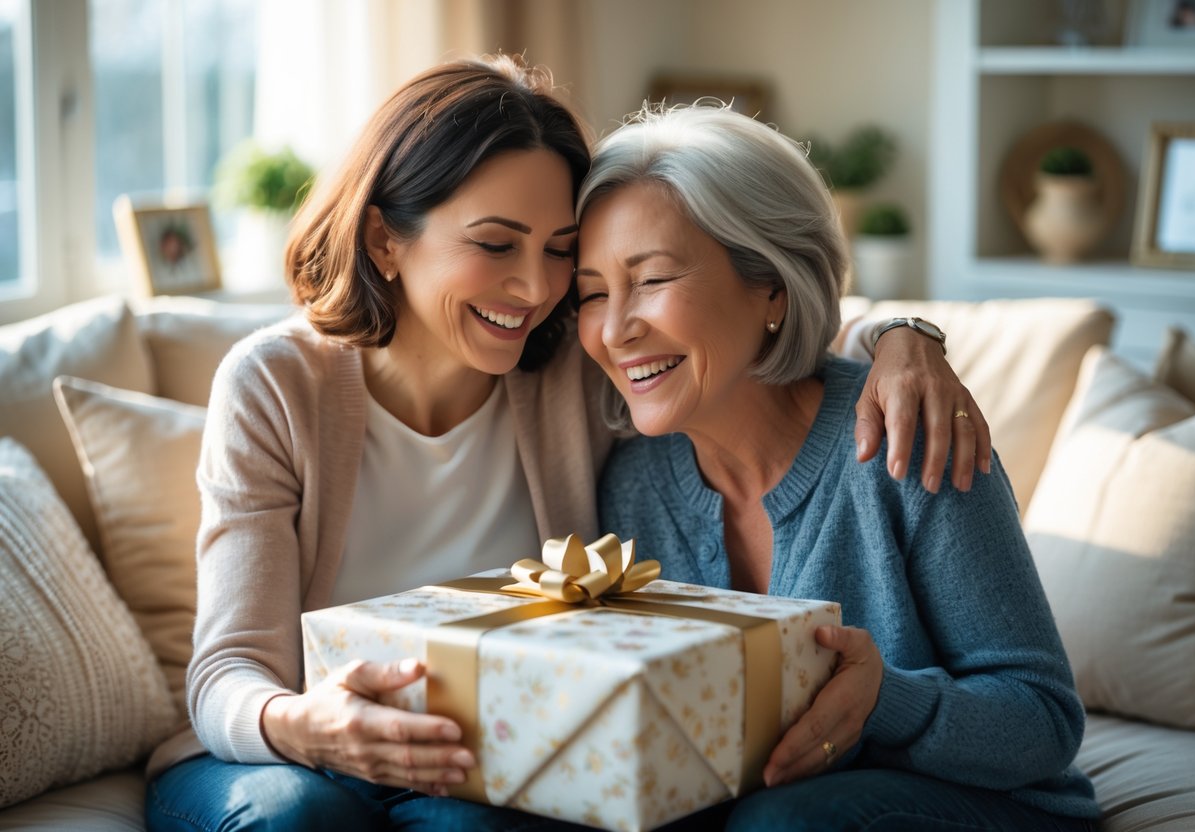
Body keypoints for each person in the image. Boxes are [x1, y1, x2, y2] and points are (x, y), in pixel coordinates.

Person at [145, 57, 992, 831]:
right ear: (383, 239)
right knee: (297, 821)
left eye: (560, 254)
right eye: (494, 244)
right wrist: (309, 725)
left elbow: (746, 340)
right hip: (280, 753)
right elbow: (228, 674)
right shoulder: (274, 384)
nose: (537, 288)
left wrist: (903, 336)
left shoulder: (567, 369)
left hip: (475, 764)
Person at [579, 103, 1101, 831]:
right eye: (592, 293)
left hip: (983, 807)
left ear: (770, 285)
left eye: (652, 279)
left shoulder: (904, 435)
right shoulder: (635, 483)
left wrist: (883, 698)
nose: (613, 328)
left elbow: (1043, 723)